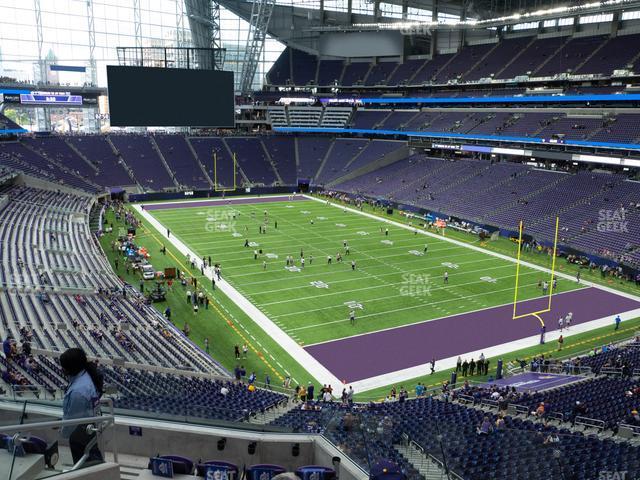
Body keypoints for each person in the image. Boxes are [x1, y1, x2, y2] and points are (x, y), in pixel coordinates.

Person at [59, 348, 104, 464]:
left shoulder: (78, 392)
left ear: (70, 368)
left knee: (87, 467)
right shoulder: (84, 377)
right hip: (86, 430)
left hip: (81, 435)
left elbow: (72, 420)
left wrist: (63, 431)